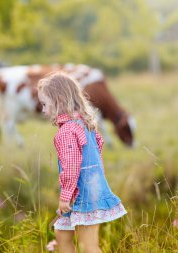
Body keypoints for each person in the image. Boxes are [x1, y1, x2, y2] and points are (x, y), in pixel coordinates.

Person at [37, 72, 127, 253]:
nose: (43, 110)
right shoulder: (84, 124)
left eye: (45, 104)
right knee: (62, 235)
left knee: (89, 246)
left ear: (59, 100)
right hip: (88, 189)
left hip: (80, 193)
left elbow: (71, 166)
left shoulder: (67, 131)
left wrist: (65, 195)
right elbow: (98, 147)